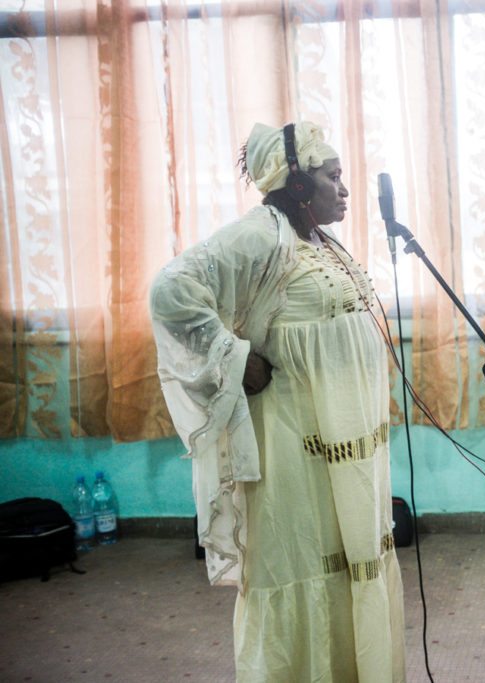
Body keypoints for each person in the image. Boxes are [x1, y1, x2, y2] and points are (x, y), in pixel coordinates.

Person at [150, 121, 405, 682]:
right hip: (292, 446)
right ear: (296, 185)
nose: (344, 189)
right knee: (301, 561)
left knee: (348, 565)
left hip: (347, 450)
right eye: (332, 177)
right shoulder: (260, 234)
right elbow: (170, 291)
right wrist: (234, 358)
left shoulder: (317, 239)